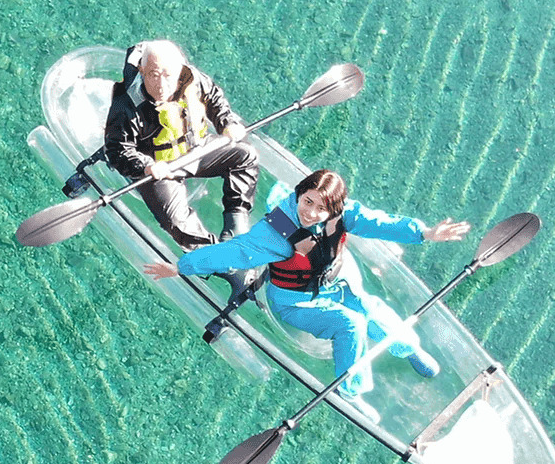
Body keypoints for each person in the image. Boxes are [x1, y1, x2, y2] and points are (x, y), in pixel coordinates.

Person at [143, 169, 470, 421]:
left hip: (333, 286)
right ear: (299, 196)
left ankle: (409, 349)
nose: (311, 212)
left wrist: (424, 233)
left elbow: (379, 222)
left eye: (320, 207)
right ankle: (350, 392)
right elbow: (233, 253)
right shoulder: (274, 234)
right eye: (307, 202)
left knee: (372, 308)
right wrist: (181, 267)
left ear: (335, 209)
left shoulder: (346, 214)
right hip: (294, 302)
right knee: (350, 323)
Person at [104, 40, 261, 250]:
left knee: (246, 155)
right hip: (159, 169)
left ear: (180, 70)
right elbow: (117, 151)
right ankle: (215, 254)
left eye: (168, 75)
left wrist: (227, 122)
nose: (161, 85)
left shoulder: (193, 79)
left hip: (196, 150)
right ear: (141, 71)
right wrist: (145, 166)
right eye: (153, 74)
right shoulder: (126, 106)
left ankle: (236, 224)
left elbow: (214, 98)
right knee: (176, 222)